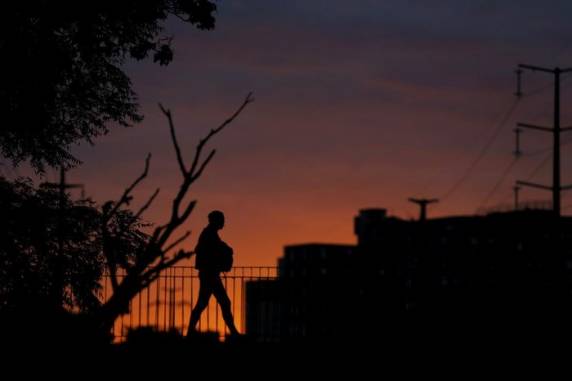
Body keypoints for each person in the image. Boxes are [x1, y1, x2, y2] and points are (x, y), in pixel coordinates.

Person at [187, 210, 239, 336]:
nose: (223, 223)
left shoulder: (210, 234)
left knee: (204, 303)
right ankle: (233, 332)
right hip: (209, 275)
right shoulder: (209, 234)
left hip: (210, 274)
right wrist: (225, 251)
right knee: (221, 302)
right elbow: (209, 250)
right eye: (222, 220)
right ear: (216, 221)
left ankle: (191, 331)